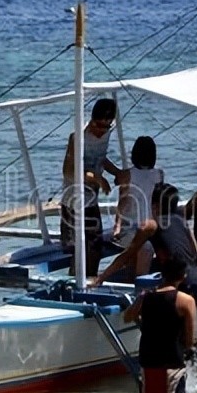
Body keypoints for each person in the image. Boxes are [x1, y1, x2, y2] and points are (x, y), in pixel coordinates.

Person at [94, 183, 197, 299]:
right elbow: (195, 252)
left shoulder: (150, 225)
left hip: (179, 285)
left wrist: (100, 278)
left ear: (155, 206)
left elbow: (127, 255)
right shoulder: (182, 220)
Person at [122, 257, 197, 393]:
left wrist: (140, 301)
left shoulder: (146, 297)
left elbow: (127, 317)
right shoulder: (185, 301)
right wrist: (188, 350)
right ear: (183, 276)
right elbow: (189, 338)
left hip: (148, 361)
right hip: (172, 362)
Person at [61, 97, 120, 276]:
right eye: (98, 126)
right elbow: (68, 171)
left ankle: (91, 281)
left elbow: (100, 157)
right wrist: (97, 179)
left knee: (94, 246)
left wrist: (117, 172)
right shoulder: (78, 137)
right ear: (91, 121)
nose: (101, 131)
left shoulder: (106, 133)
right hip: (74, 200)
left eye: (106, 127)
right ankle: (76, 283)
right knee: (81, 248)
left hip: (91, 200)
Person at [112, 136, 164, 278]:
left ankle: (138, 282)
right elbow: (158, 201)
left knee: (138, 253)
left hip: (132, 225)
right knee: (143, 251)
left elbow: (122, 202)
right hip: (151, 225)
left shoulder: (127, 175)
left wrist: (117, 226)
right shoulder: (159, 175)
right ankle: (140, 282)